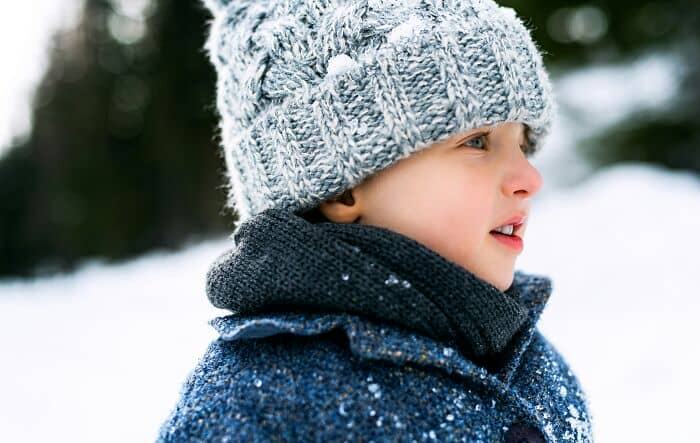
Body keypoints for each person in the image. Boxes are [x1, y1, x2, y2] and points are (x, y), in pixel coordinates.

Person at [156, 0, 595, 441]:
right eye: (477, 142)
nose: (530, 179)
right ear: (341, 188)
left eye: (523, 144)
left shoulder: (531, 363)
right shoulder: (260, 405)